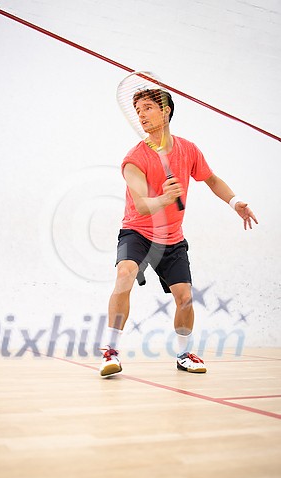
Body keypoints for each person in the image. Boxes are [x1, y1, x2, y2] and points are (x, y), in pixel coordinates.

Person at [99, 88, 258, 377]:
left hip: (172, 237)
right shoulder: (134, 158)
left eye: (147, 108)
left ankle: (184, 354)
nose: (141, 115)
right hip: (137, 232)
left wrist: (235, 202)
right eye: (138, 110)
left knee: (185, 298)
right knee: (124, 275)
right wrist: (163, 198)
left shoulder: (188, 150)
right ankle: (111, 350)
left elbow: (211, 179)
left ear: (166, 111)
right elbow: (141, 205)